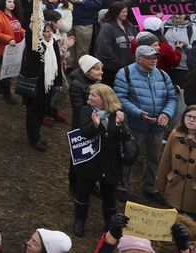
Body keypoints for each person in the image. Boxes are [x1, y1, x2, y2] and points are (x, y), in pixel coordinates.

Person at [116, 42, 179, 203]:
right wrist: (139, 114)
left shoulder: (163, 75)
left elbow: (172, 97)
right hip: (135, 125)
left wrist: (166, 113)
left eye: (155, 58)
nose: (154, 61)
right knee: (129, 156)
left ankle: (150, 187)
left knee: (154, 158)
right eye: (149, 58)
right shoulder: (125, 73)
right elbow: (120, 98)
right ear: (139, 59)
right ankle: (121, 186)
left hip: (157, 127)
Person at [74, 83, 134, 236]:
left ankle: (109, 225)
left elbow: (126, 136)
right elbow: (85, 132)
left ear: (104, 99)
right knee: (83, 193)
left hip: (110, 163)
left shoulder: (118, 114)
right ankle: (79, 221)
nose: (89, 97)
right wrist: (95, 125)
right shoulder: (86, 111)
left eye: (93, 95)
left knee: (109, 196)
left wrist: (120, 125)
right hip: (90, 162)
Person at [21, 17, 69, 152]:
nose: (48, 34)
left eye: (50, 31)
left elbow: (56, 65)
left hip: (48, 85)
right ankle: (33, 138)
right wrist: (32, 26)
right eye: (45, 32)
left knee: (43, 110)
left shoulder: (53, 43)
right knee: (33, 112)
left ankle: (37, 134)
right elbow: (30, 39)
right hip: (35, 85)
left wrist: (58, 82)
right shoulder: (36, 45)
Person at [158, 104, 196, 219]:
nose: (191, 120)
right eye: (189, 116)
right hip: (174, 186)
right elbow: (166, 160)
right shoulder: (175, 134)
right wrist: (161, 183)